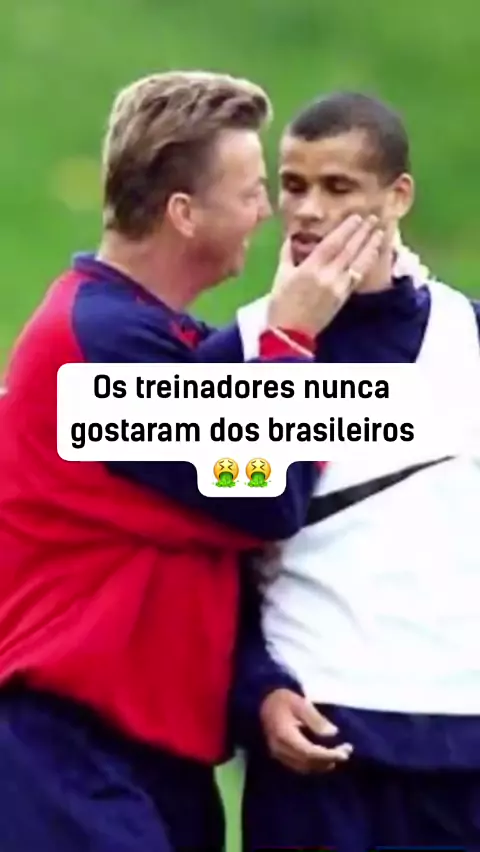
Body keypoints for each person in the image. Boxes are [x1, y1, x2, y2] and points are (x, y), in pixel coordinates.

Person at [0, 73, 383, 852]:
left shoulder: (163, 342)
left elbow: (211, 551)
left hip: (154, 768)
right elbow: (266, 496)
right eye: (251, 192)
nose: (268, 213)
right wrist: (290, 339)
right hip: (70, 761)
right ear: (184, 213)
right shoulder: (94, 346)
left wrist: (258, 686)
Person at [229, 92, 480, 851]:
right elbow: (217, 548)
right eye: (294, 185)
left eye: (338, 187)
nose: (309, 210)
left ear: (397, 196)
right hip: (315, 743)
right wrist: (256, 689)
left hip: (460, 748)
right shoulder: (238, 351)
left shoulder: (469, 337)